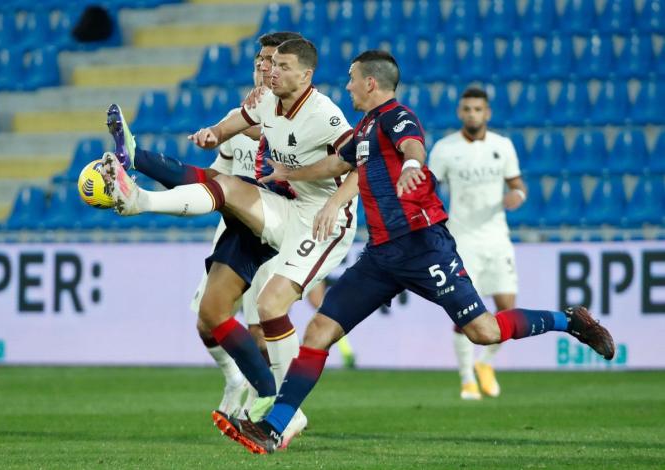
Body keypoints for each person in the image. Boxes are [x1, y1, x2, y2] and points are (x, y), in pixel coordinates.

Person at [208, 50, 615, 454]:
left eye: (352, 78)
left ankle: (568, 320)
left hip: (424, 248)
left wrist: (409, 167)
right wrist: (288, 174)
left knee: (484, 332)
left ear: (371, 82)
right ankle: (275, 427)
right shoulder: (365, 128)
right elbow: (335, 166)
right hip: (380, 257)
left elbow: (413, 147)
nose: (347, 85)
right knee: (318, 331)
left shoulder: (396, 116)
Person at [100, 38, 360, 436]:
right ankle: (139, 196)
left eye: (281, 65)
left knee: (270, 308)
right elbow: (231, 126)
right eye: (268, 64)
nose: (271, 70)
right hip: (274, 208)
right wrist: (212, 134)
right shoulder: (263, 101)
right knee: (213, 311)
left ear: (306, 75)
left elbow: (360, 162)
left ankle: (285, 408)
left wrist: (332, 201)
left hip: (321, 221)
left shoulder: (325, 115)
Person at [428, 87, 526, 400]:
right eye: (467, 109)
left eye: (477, 109)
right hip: (462, 239)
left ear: (487, 113)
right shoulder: (445, 148)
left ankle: (486, 364)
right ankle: (466, 378)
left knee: (507, 308)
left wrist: (518, 196)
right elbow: (429, 189)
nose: (472, 114)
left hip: (497, 238)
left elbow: (516, 183)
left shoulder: (503, 146)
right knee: (467, 312)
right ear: (460, 113)